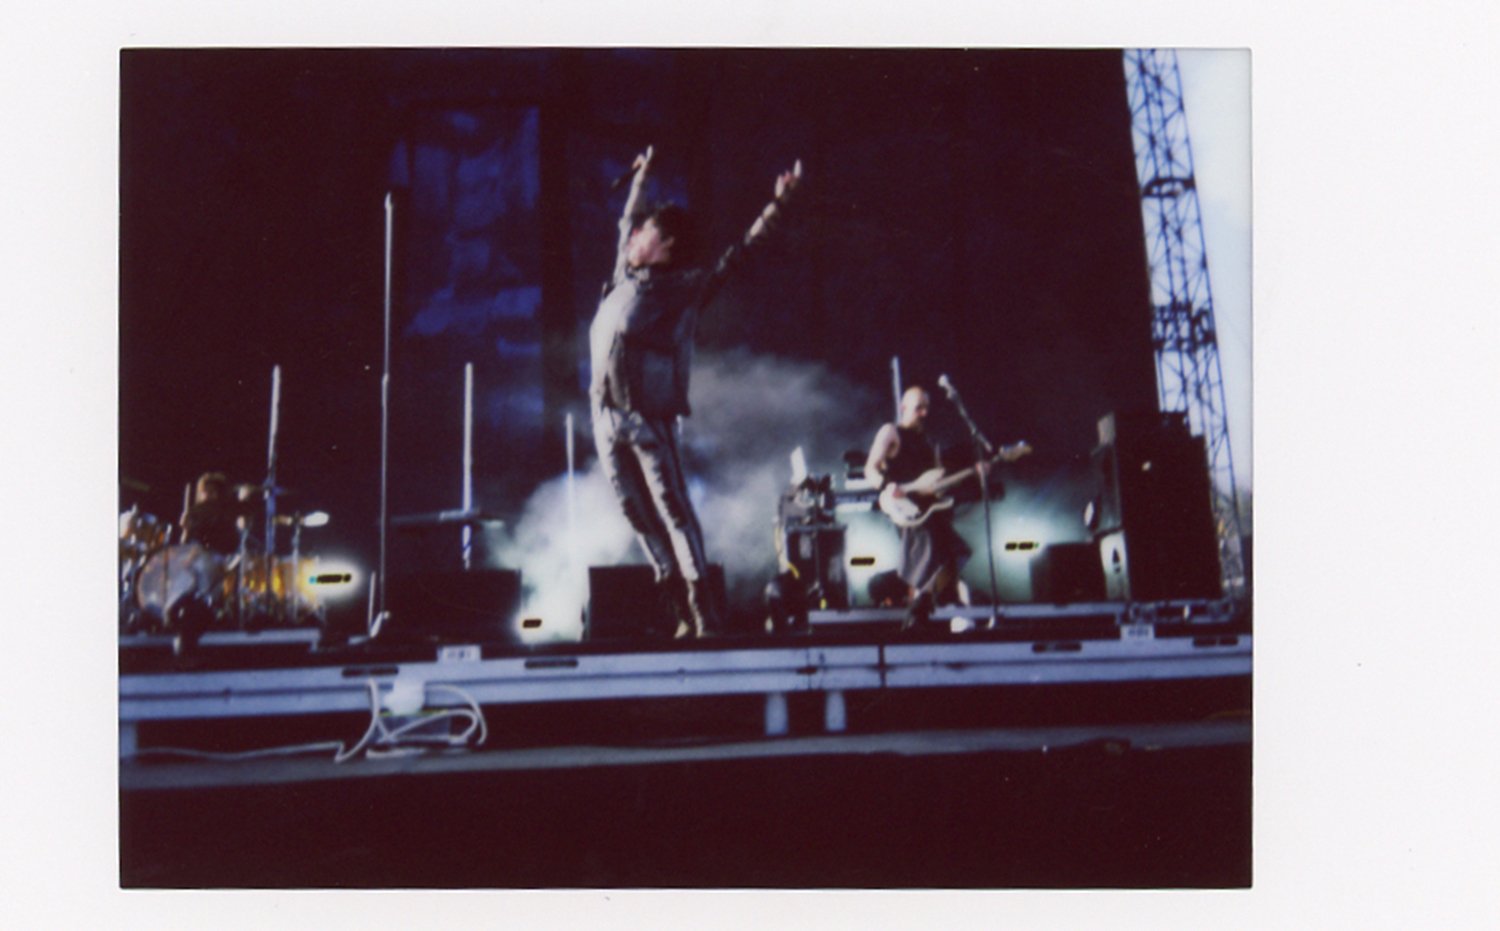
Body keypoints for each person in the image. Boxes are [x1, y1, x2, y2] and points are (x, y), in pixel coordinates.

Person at [590, 145, 801, 638]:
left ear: (665, 245)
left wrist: (778, 205)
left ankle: (704, 611)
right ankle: (678, 607)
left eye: (646, 234)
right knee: (634, 511)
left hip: (646, 419)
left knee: (674, 510)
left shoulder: (679, 291)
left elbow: (738, 257)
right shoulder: (624, 274)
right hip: (605, 417)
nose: (634, 236)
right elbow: (627, 219)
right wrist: (642, 177)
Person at [865, 386, 985, 632]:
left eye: (926, 408)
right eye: (918, 407)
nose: (923, 413)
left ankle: (927, 606)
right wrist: (887, 486)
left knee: (955, 555)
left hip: (930, 508)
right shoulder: (891, 432)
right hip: (907, 510)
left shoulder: (931, 442)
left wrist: (973, 473)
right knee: (935, 556)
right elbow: (871, 468)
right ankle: (931, 608)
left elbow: (937, 483)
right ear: (903, 408)